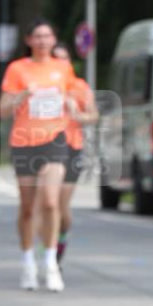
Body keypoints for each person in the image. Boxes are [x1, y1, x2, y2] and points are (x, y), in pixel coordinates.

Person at [0, 19, 75, 292]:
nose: (43, 41)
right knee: (28, 207)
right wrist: (21, 95)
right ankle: (28, 261)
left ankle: (51, 263)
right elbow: (3, 110)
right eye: (37, 36)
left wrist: (71, 103)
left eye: (47, 36)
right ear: (29, 40)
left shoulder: (63, 68)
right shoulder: (17, 69)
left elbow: (73, 99)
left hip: (54, 139)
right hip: (24, 141)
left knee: (52, 202)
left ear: (54, 40)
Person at [47, 42, 99, 267]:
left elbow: (93, 116)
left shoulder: (79, 86)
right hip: (44, 147)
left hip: (71, 147)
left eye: (64, 58)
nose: (60, 63)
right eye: (55, 58)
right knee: (46, 204)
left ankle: (60, 242)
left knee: (60, 205)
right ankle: (46, 250)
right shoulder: (43, 85)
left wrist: (76, 112)